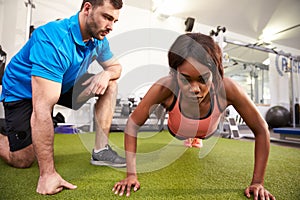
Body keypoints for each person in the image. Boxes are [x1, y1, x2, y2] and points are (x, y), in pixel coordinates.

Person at [112, 33, 276, 200]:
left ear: (215, 73)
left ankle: (197, 138)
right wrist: (131, 174)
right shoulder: (165, 87)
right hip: (178, 129)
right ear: (175, 74)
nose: (195, 88)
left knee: (201, 133)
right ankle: (190, 137)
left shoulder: (228, 89)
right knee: (185, 130)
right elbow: (132, 125)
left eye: (203, 79)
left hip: (207, 130)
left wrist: (257, 182)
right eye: (185, 79)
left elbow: (261, 129)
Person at [0, 0, 126, 195]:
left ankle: (101, 151)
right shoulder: (53, 39)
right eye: (107, 17)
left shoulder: (99, 38)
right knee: (23, 160)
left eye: (114, 21)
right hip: (22, 90)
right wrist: (47, 174)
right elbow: (42, 108)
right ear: (87, 8)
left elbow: (115, 67)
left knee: (111, 84)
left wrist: (107, 74)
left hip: (63, 83)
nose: (110, 27)